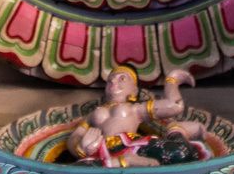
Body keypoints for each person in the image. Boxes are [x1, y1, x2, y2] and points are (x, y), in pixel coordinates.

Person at [68, 65, 209, 167]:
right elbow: (74, 136)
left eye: (122, 78)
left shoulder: (135, 109)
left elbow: (174, 105)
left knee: (182, 153)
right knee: (77, 171)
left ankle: (176, 129)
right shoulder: (92, 114)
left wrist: (172, 81)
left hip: (133, 146)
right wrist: (81, 148)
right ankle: (125, 161)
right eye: (110, 80)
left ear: (134, 90)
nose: (114, 82)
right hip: (100, 151)